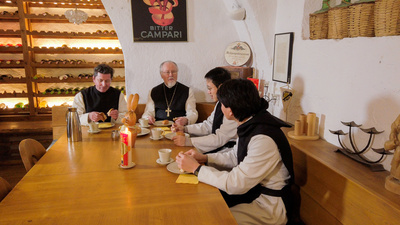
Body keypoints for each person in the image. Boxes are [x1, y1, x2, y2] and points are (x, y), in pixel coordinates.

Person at [176, 79, 297, 225]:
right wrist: (205, 158)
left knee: (210, 218)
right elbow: (236, 156)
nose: (220, 108)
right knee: (201, 205)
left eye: (221, 104)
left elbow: (236, 184)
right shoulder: (250, 121)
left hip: (269, 206)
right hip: (253, 191)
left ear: (231, 111)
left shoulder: (263, 138)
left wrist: (196, 169)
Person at [171, 67, 237, 153]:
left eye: (210, 88)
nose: (208, 92)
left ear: (221, 87)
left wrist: (189, 141)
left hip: (227, 151)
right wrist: (185, 129)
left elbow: (219, 138)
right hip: (217, 145)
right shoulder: (219, 103)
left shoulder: (233, 108)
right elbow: (208, 125)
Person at [142, 61, 198, 125]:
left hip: (178, 127)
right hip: (158, 128)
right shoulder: (153, 91)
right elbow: (148, 112)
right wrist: (148, 118)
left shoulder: (187, 91)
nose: (171, 75)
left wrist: (187, 120)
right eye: (167, 72)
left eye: (173, 72)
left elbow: (192, 112)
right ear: (161, 75)